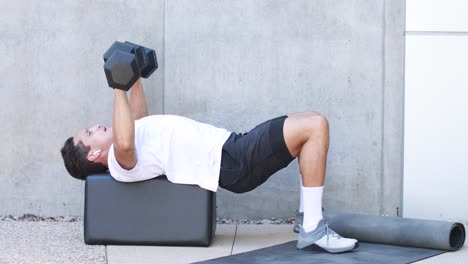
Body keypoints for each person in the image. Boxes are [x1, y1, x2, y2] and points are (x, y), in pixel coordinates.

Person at [60, 78, 358, 253]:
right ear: (92, 156)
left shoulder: (131, 143)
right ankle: (312, 228)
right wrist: (117, 87)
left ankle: (308, 216)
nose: (95, 126)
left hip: (230, 148)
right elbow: (124, 141)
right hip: (231, 161)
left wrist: (134, 80)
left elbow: (138, 122)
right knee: (315, 125)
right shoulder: (119, 161)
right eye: (89, 134)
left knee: (308, 120)